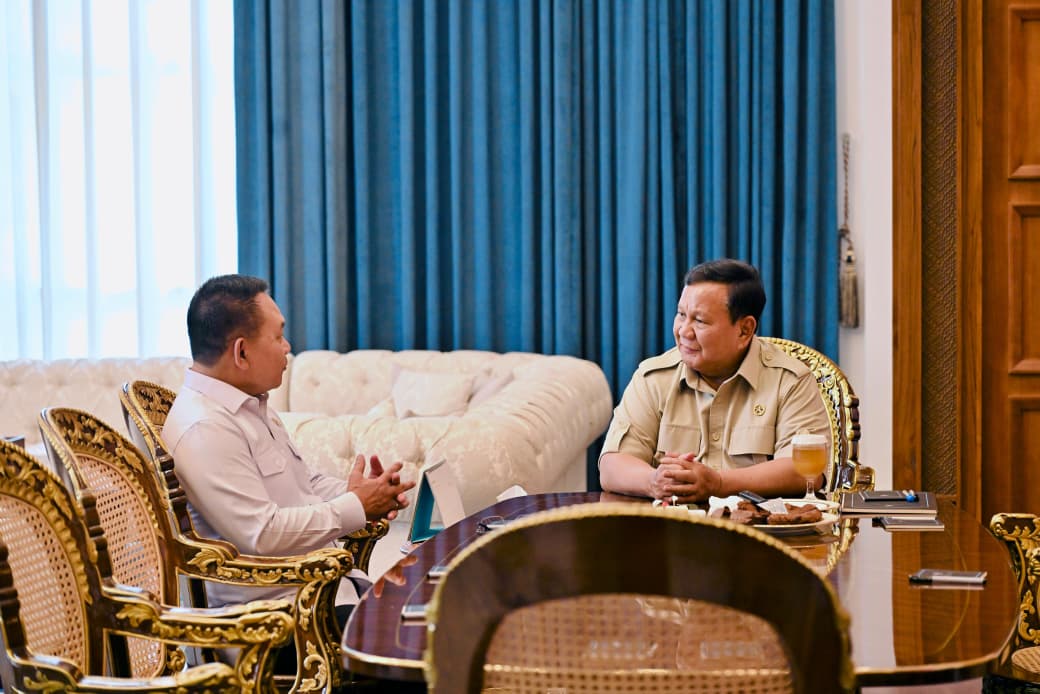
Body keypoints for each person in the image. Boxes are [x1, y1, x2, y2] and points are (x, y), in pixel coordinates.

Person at [163, 274, 414, 666]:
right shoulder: (205, 428)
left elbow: (304, 482)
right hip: (275, 626)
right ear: (241, 352)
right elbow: (262, 533)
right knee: (419, 643)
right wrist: (356, 507)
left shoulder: (248, 404)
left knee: (427, 610)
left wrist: (358, 491)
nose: (288, 347)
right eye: (278, 336)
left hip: (317, 596)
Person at [599, 259, 830, 504]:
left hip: (761, 535)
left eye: (700, 321)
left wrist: (719, 484)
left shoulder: (790, 380)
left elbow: (805, 472)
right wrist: (654, 480)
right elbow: (612, 465)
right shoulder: (654, 378)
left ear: (744, 330)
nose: (684, 331)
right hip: (671, 534)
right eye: (681, 315)